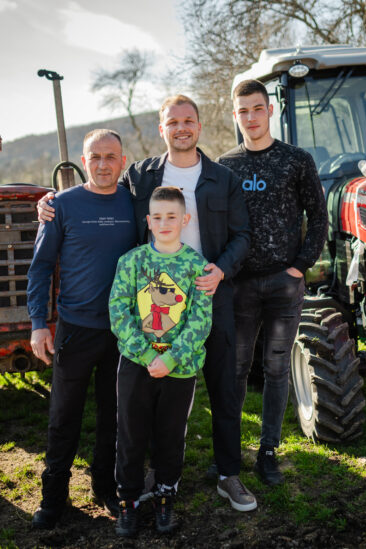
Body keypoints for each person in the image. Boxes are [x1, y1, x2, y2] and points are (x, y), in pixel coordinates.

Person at [38, 95, 256, 512]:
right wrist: (51, 202)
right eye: (173, 122)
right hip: (154, 305)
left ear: (199, 126)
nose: (181, 128)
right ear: (162, 129)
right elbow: (97, 188)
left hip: (209, 296)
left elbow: (242, 235)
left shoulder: (221, 177)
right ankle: (159, 473)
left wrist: (221, 270)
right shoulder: (139, 175)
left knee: (224, 390)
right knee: (155, 389)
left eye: (189, 120)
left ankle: (229, 474)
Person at [217, 79, 327, 486]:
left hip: (284, 284)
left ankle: (268, 451)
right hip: (240, 286)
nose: (251, 117)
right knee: (236, 369)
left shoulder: (296, 160)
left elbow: (317, 216)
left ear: (269, 111)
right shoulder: (225, 166)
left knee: (277, 368)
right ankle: (228, 451)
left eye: (257, 109)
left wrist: (300, 265)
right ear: (235, 116)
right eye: (243, 110)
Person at [27, 129, 137, 529]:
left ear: (123, 161)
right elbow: (40, 267)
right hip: (75, 329)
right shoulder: (62, 205)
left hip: (123, 332)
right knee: (63, 416)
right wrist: (39, 324)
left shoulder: (135, 202)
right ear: (83, 161)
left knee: (114, 415)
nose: (104, 164)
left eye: (111, 157)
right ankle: (54, 497)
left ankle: (105, 487)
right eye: (95, 157)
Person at [109, 186, 212, 537]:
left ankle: (166, 496)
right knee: (130, 434)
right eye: (158, 217)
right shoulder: (132, 262)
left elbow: (200, 321)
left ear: (185, 220)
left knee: (171, 435)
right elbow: (119, 313)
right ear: (148, 221)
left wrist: (171, 358)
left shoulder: (198, 266)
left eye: (172, 216)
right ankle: (129, 502)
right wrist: (150, 354)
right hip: (137, 365)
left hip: (180, 369)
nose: (165, 222)